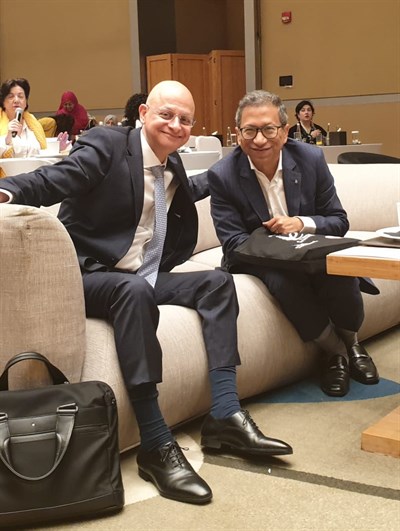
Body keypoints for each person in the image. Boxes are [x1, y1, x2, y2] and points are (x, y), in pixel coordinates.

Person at [0, 81, 292, 505]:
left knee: (216, 282)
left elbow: (192, 190)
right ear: (143, 114)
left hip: (141, 274)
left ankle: (226, 413)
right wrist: (8, 191)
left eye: (185, 120)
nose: (176, 125)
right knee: (133, 290)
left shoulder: (172, 166)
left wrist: (245, 160)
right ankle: (155, 444)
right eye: (166, 114)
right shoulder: (107, 145)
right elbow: (56, 178)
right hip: (89, 275)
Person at [208, 89, 379, 399]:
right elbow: (233, 243)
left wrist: (300, 223)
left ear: (285, 132)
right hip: (259, 258)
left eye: (269, 129)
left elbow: (338, 220)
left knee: (337, 269)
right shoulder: (222, 175)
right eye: (250, 130)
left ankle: (353, 343)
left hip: (311, 248)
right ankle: (337, 352)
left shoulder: (310, 159)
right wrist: (277, 244)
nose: (260, 139)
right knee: (283, 281)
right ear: (238, 133)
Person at [0, 78, 47, 158]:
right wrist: (7, 139)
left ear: (26, 102)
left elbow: (42, 151)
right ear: (3, 102)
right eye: (11, 97)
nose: (16, 100)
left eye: (20, 96)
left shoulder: (33, 125)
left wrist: (58, 148)